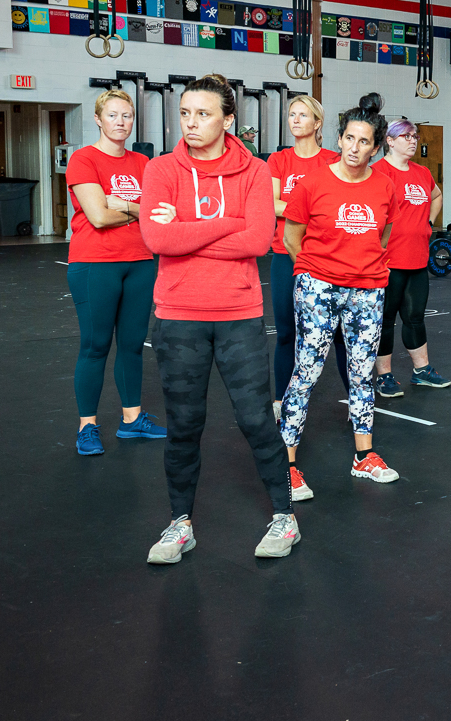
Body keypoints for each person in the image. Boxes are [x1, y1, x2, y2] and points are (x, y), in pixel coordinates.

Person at [138, 74, 298, 564]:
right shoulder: (161, 170)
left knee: (256, 420)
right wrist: (229, 226)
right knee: (184, 425)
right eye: (184, 113)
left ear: (228, 120)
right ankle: (179, 523)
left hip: (238, 315)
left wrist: (186, 229)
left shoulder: (255, 172)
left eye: (203, 114)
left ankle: (285, 516)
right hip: (178, 315)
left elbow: (257, 241)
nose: (190, 123)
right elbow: (157, 240)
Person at [279, 93, 400, 498]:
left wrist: (361, 269)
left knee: (363, 374)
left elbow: (382, 235)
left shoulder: (384, 186)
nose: (354, 147)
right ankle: (286, 464)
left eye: (364, 141)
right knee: (306, 373)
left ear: (375, 148)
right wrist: (316, 273)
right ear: (339, 138)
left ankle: (364, 457)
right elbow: (291, 238)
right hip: (318, 287)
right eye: (349, 138)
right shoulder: (313, 182)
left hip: (368, 290)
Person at [66, 88, 165, 455]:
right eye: (112, 115)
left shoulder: (144, 163)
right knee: (95, 346)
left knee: (132, 344)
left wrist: (122, 204)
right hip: (95, 263)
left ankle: (132, 419)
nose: (120, 122)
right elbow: (97, 216)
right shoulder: (84, 159)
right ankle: (87, 426)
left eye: (127, 116)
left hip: (140, 262)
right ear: (98, 119)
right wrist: (137, 208)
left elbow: (156, 212)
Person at [266, 94, 347, 420]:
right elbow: (270, 203)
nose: (296, 120)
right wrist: (311, 209)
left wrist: (298, 210)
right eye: (292, 114)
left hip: (326, 256)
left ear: (317, 123)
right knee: (287, 333)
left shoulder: (332, 160)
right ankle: (281, 402)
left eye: (303, 115)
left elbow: (339, 203)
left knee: (339, 334)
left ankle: (357, 401)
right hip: (285, 254)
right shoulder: (279, 160)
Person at [373, 118, 449, 397]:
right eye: (406, 136)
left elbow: (436, 196)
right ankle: (384, 376)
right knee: (386, 320)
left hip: (417, 259)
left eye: (415, 136)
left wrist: (428, 222)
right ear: (390, 141)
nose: (413, 140)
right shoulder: (378, 173)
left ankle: (422, 371)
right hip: (388, 261)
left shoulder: (422, 172)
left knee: (415, 318)